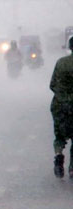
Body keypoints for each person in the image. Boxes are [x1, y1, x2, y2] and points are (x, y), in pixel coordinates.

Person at [50, 36, 73, 178]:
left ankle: (59, 156)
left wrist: (63, 96)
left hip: (60, 106)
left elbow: (52, 85)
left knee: (59, 136)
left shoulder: (61, 63)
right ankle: (72, 168)